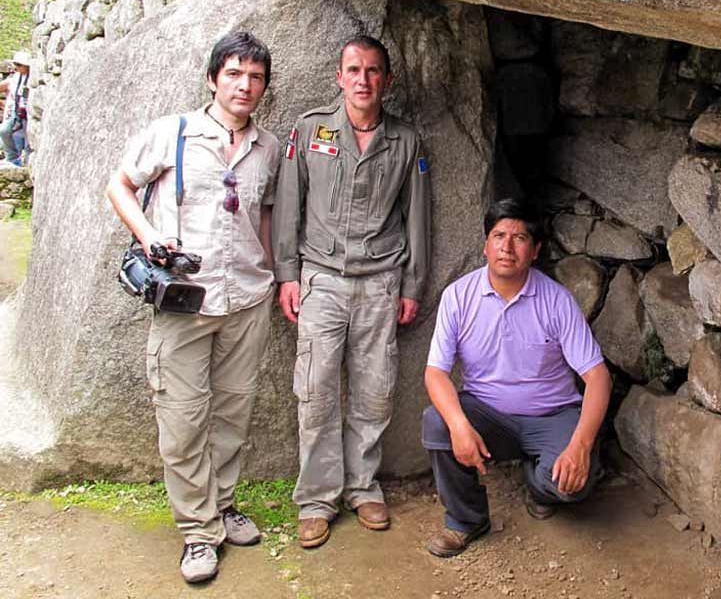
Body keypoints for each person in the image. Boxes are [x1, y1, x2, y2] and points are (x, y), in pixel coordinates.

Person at [105, 32, 280, 583]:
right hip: (185, 301)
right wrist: (151, 236)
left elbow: (265, 216)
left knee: (233, 413)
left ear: (264, 88)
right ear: (212, 79)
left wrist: (274, 273)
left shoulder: (268, 147)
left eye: (255, 77)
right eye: (234, 74)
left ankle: (223, 507)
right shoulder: (174, 132)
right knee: (182, 422)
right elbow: (120, 185)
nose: (244, 86)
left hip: (247, 298)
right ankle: (198, 533)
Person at [273, 35, 431, 548]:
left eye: (373, 71)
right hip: (320, 279)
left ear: (386, 80)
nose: (363, 80)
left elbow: (418, 220)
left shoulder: (406, 142)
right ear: (339, 77)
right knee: (315, 390)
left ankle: (363, 486)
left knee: (376, 389)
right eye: (353, 70)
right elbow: (289, 205)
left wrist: (412, 284)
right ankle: (317, 498)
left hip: (381, 283)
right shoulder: (310, 129)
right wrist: (287, 274)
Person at [421, 198, 612, 557]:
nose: (507, 247)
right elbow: (435, 372)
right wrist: (460, 426)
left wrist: (580, 446)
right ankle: (467, 520)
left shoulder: (557, 301)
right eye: (498, 236)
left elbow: (598, 377)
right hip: (489, 416)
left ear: (535, 250)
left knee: (570, 485)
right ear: (485, 245)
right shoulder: (458, 297)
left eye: (520, 238)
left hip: (552, 415)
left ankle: (539, 483)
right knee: (439, 422)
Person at [0, 51, 31, 166]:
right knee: (4, 131)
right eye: (16, 65)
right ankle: (12, 158)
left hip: (28, 112)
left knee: (29, 142)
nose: (17, 67)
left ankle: (28, 165)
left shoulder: (33, 78)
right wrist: (4, 103)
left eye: (19, 65)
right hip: (16, 111)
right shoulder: (14, 78)